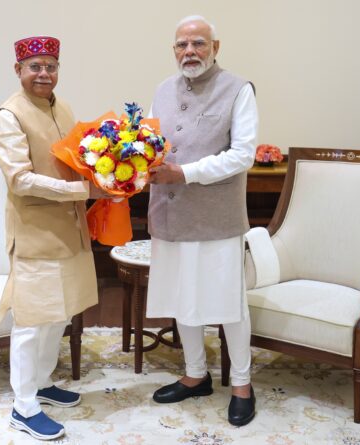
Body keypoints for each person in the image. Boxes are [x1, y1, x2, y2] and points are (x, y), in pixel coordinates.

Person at [146, 16, 258, 426]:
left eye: (198, 43)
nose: (189, 51)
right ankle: (196, 375)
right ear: (174, 50)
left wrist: (185, 173)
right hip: (170, 213)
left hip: (216, 217)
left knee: (229, 304)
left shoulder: (239, 89)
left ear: (215, 46)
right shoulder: (161, 89)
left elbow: (243, 154)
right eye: (181, 45)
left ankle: (242, 384)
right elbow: (152, 144)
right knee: (182, 298)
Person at [0, 36, 99, 441]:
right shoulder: (9, 115)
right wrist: (83, 192)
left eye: (50, 66)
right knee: (33, 320)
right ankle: (23, 406)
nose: (44, 74)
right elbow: (19, 180)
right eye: (35, 66)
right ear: (18, 70)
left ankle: (41, 382)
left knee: (60, 313)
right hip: (35, 233)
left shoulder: (63, 107)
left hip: (69, 228)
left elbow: (79, 160)